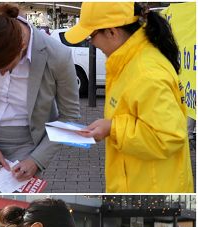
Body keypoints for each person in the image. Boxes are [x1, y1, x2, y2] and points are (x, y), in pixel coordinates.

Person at [66, 2, 194, 193]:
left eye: (92, 35)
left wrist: (113, 128)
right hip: (140, 180)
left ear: (112, 32)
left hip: (152, 188)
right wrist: (110, 126)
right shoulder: (130, 62)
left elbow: (168, 136)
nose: (91, 42)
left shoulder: (145, 72)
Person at [0, 3, 79, 192]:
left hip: (27, 149)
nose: (1, 74)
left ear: (22, 46)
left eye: (5, 67)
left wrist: (37, 160)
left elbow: (69, 117)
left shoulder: (58, 56)